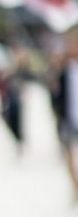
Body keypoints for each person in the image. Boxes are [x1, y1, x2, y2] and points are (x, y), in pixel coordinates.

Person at [48, 39, 78, 201]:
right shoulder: (64, 71)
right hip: (68, 118)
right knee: (69, 155)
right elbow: (55, 95)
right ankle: (75, 187)